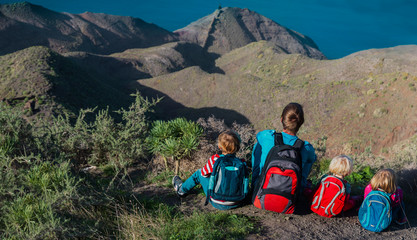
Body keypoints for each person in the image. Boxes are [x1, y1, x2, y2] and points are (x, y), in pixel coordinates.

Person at [172, 130, 246, 210]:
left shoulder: (215, 159)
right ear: (238, 147)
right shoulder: (242, 163)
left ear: (219, 147)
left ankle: (181, 190)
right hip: (237, 201)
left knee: (199, 173)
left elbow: (204, 174)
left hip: (216, 201)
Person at [251, 102, 316, 192]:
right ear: (301, 123)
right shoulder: (307, 148)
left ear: (282, 119)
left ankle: (255, 185)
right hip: (290, 200)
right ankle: (300, 188)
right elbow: (313, 159)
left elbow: (258, 136)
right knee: (308, 159)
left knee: (258, 145)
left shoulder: (268, 136)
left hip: (262, 195)